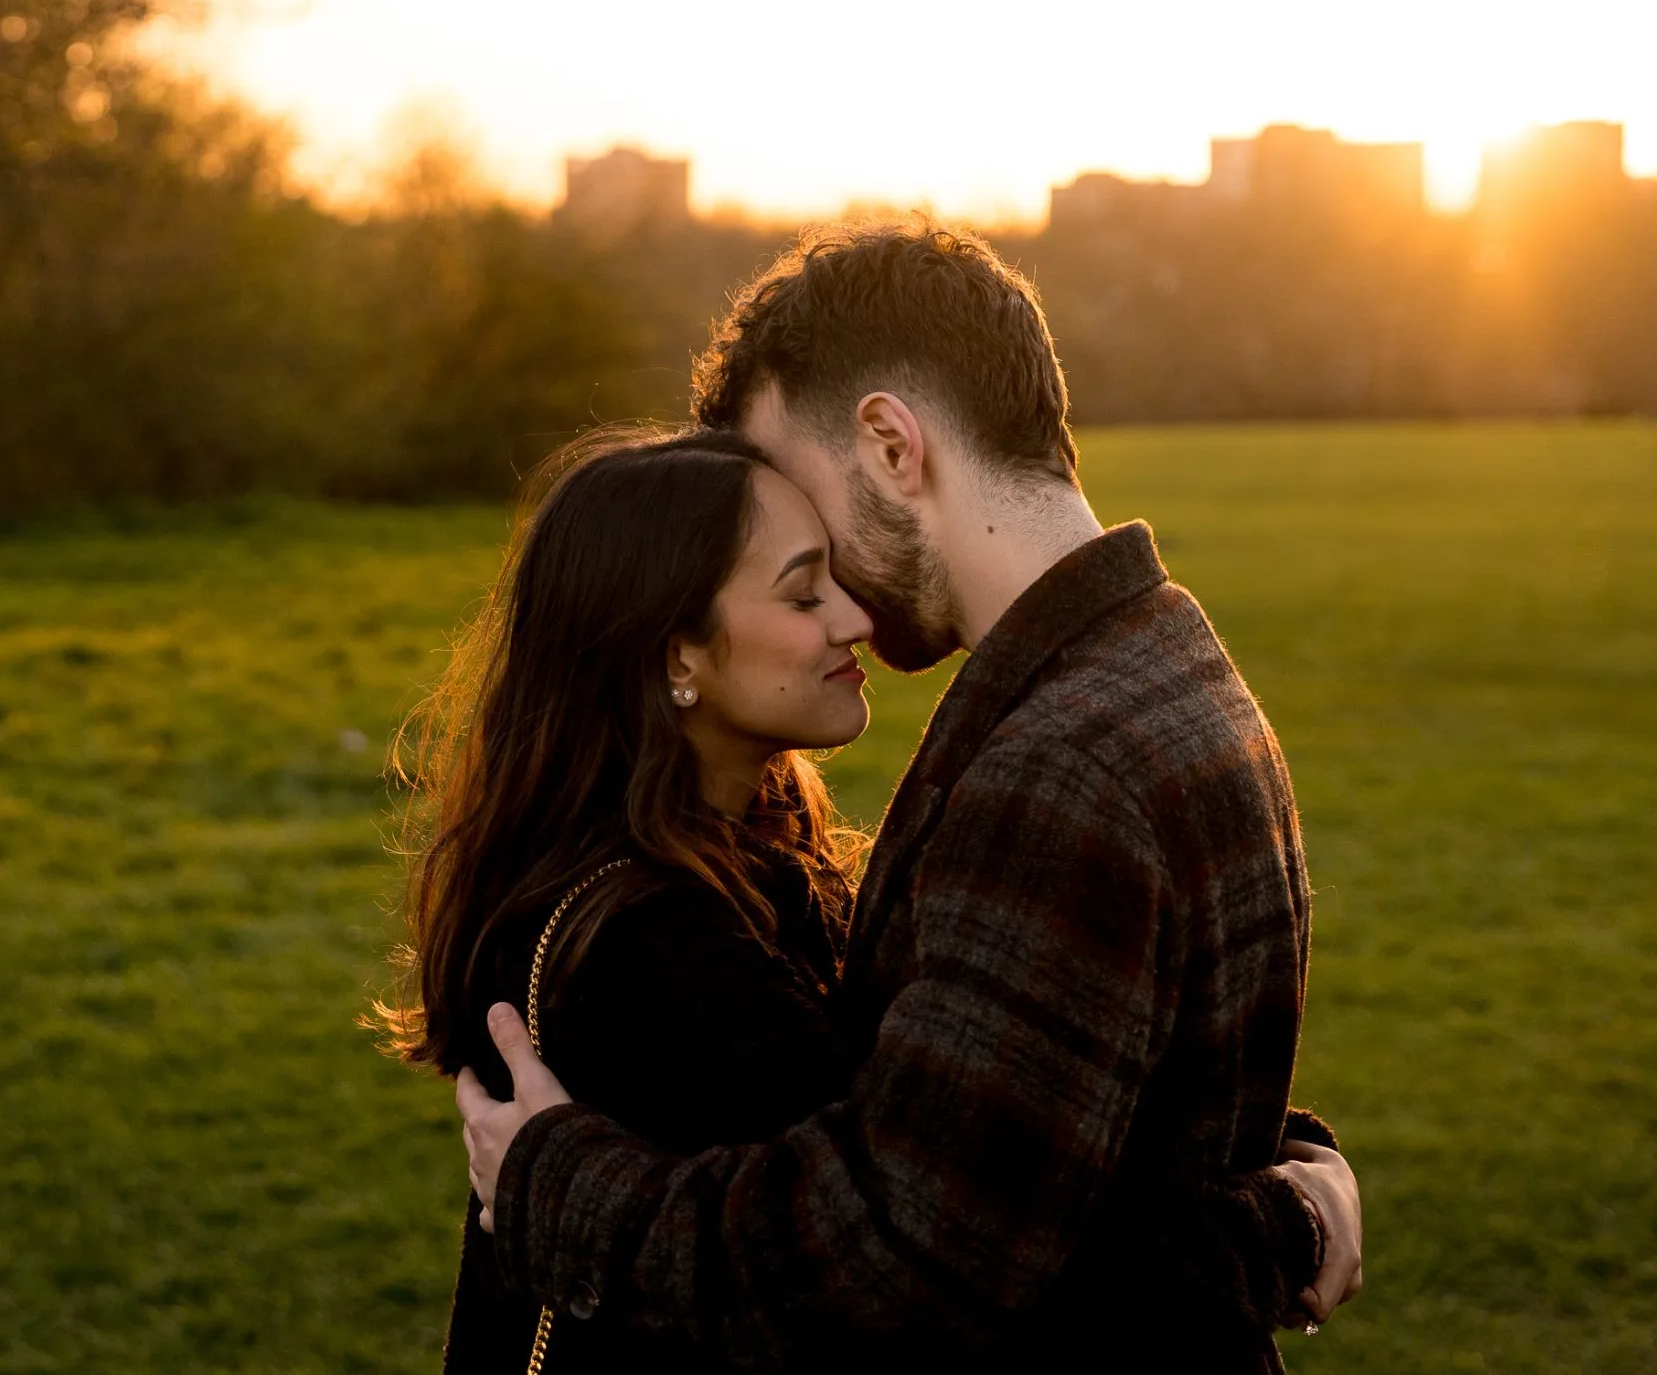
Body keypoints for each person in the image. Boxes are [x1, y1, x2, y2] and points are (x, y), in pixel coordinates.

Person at [456, 220, 1365, 1371]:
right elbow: (1055, 1112)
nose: (829, 579)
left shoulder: (1061, 761)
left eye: (804, 498)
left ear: (891, 444)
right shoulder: (1163, 668)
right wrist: (1278, 1201)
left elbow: (900, 1266)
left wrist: (558, 1190)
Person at [383, 427, 876, 1371]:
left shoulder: (702, 872)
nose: (854, 617)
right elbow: (886, 1246)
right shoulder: (656, 947)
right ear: (677, 657)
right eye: (805, 590)